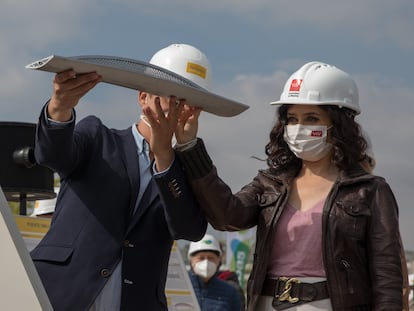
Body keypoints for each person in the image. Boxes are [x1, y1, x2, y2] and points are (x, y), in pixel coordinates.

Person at [175, 61, 404, 310]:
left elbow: (387, 278)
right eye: (292, 119)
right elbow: (226, 216)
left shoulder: (370, 190)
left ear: (339, 125)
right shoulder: (269, 183)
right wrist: (190, 147)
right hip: (267, 303)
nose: (298, 128)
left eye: (311, 118)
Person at [31, 43, 208, 311]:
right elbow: (53, 156)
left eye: (185, 102)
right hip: (61, 293)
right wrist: (59, 108)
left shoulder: (185, 173)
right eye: (168, 97)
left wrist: (164, 157)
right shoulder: (99, 138)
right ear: (143, 97)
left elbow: (189, 229)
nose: (173, 108)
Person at [188, 233, 242, 311]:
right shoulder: (180, 288)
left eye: (211, 258)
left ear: (218, 260)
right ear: (191, 260)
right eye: (201, 258)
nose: (206, 262)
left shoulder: (230, 292)